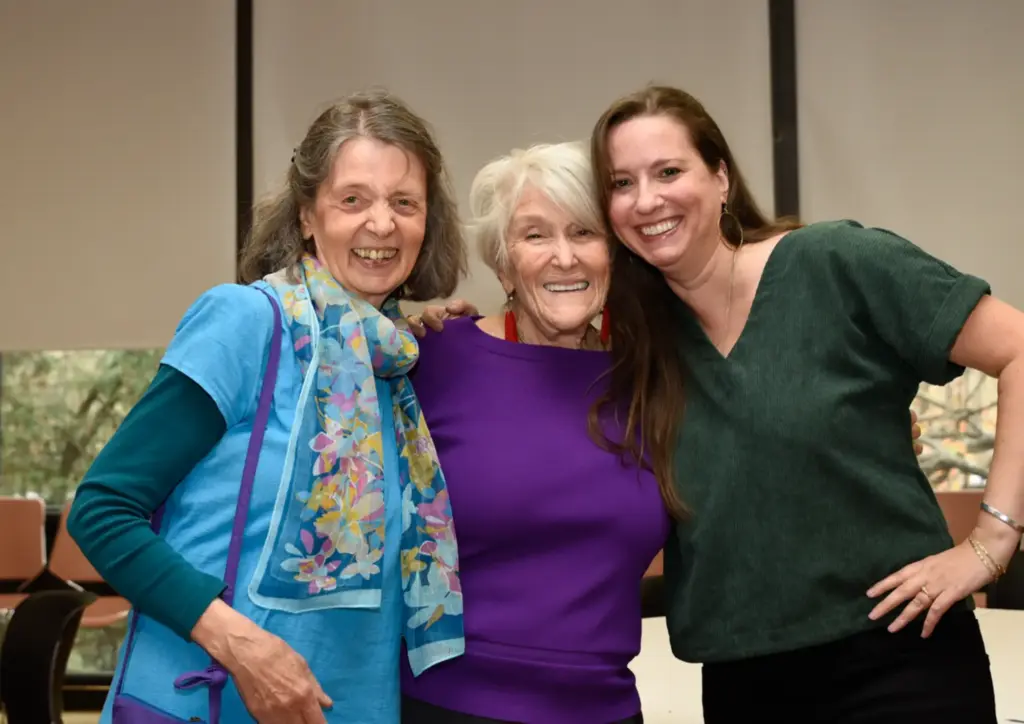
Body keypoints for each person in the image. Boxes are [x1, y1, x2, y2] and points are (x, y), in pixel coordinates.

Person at [586, 85, 1024, 722]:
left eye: (669, 171)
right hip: (743, 679)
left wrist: (990, 542)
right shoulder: (635, 340)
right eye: (621, 183)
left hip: (900, 661)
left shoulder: (836, 263)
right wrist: (432, 327)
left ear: (721, 178)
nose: (647, 199)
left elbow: (1018, 350)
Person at [67, 89, 467, 724]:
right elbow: (102, 511)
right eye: (353, 199)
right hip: (214, 692)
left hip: (356, 704)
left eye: (404, 203)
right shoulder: (246, 321)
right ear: (308, 215)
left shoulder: (397, 360)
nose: (382, 224)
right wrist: (241, 647)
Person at [401, 142, 669, 724]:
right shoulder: (433, 358)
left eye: (584, 233)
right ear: (503, 264)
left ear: (616, 254)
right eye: (535, 235)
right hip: (447, 707)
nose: (564, 257)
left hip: (607, 709)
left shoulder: (653, 380)